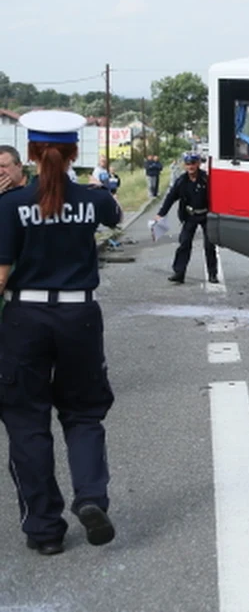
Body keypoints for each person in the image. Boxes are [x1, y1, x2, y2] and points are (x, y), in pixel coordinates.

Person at [0, 110, 122, 556]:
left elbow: (0, 275)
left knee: (27, 422)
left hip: (24, 319)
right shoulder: (92, 199)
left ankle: (45, 529)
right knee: (84, 415)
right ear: (74, 153)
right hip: (79, 318)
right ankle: (90, 498)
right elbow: (115, 210)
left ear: (30, 153)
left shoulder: (10, 205)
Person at [154, 152, 218, 284]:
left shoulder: (206, 179)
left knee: (209, 245)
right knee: (184, 243)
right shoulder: (181, 181)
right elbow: (170, 198)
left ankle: (212, 274)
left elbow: (217, 196)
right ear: (184, 165)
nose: (191, 167)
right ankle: (179, 272)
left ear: (199, 164)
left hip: (206, 215)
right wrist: (161, 214)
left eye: (193, 163)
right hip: (190, 215)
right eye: (188, 164)